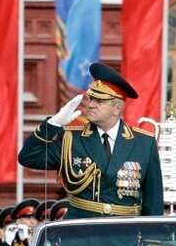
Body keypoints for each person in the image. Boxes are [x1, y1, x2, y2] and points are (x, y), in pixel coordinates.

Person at [18, 61, 163, 218]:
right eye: (91, 98)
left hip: (125, 236)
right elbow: (28, 158)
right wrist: (53, 124)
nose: (91, 105)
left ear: (117, 109)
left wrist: (152, 241)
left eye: (99, 101)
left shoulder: (143, 143)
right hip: (82, 234)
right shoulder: (71, 139)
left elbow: (153, 200)